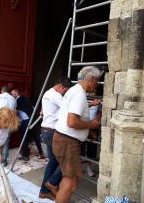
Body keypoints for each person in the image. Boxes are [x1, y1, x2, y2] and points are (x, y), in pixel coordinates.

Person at [53, 66, 102, 203]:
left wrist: (87, 131)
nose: (97, 85)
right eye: (97, 81)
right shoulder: (79, 94)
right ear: (91, 79)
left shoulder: (74, 90)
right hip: (67, 142)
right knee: (70, 184)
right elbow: (72, 122)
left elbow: (70, 121)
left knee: (68, 180)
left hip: (64, 140)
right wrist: (91, 125)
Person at [39, 77, 72, 200]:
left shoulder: (47, 93)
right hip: (52, 132)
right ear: (60, 87)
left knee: (53, 162)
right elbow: (70, 108)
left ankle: (44, 191)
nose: (64, 94)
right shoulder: (56, 95)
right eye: (65, 91)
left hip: (46, 131)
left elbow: (43, 111)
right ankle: (51, 183)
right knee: (65, 160)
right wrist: (91, 104)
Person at [11, 88, 44, 161]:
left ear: (16, 93)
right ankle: (41, 153)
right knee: (35, 136)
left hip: (26, 120)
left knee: (24, 137)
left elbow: (14, 111)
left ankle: (26, 155)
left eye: (12, 94)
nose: (12, 96)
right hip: (31, 119)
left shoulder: (18, 100)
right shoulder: (25, 98)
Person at [0, 85, 17, 166]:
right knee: (6, 141)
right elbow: (14, 112)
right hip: (9, 122)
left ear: (2, 91)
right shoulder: (13, 99)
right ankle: (4, 161)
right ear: (9, 92)